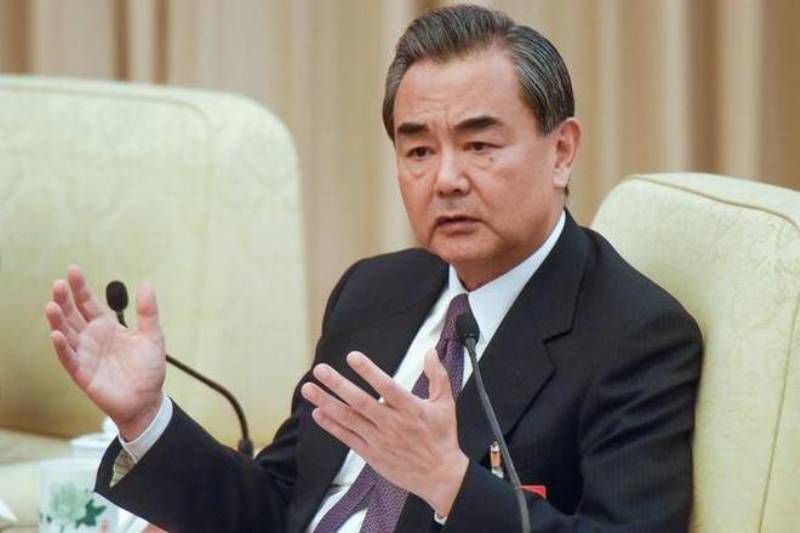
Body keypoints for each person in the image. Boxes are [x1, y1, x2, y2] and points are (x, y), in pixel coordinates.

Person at [44, 5, 702, 532]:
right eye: (418, 151)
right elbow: (277, 503)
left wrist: (449, 482)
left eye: (479, 144)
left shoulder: (635, 334)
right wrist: (147, 419)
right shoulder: (376, 291)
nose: (445, 179)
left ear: (561, 152)